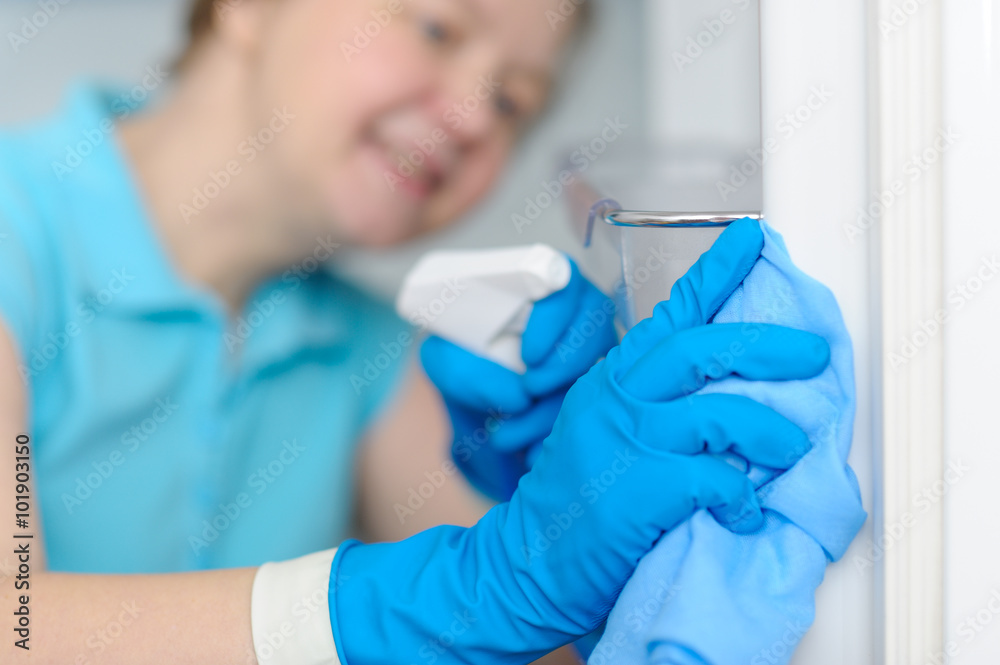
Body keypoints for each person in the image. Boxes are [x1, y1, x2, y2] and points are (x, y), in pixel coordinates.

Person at [0, 1, 830, 663]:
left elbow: (547, 643)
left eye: (513, 101)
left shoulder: (363, 353)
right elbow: (15, 626)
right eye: (438, 27)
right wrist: (454, 591)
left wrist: (563, 490)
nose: (473, 117)